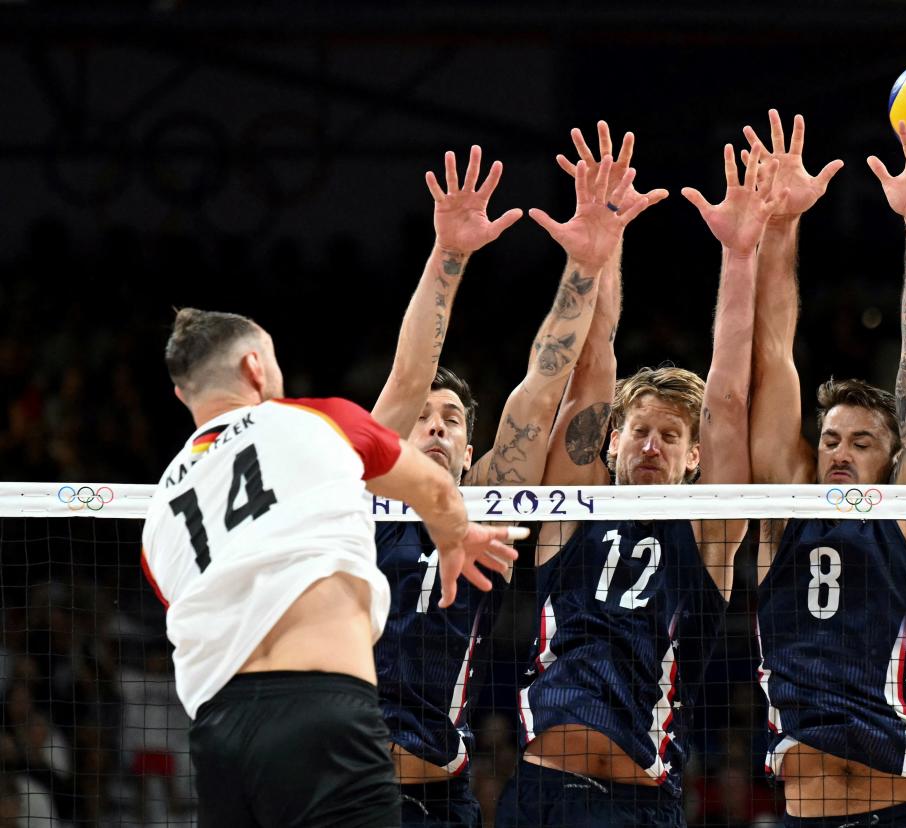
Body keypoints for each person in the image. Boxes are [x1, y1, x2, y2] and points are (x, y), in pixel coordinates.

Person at [496, 122, 786, 827]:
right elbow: (593, 365)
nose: (652, 445)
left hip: (641, 798)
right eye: (640, 431)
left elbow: (729, 398)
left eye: (671, 436)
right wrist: (604, 242)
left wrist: (740, 254)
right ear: (615, 442)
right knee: (587, 367)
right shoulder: (573, 511)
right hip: (542, 795)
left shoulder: (710, 534)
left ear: (694, 457)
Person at [140, 308, 523, 828]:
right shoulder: (313, 423)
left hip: (219, 731)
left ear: (183, 395)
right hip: (321, 707)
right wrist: (456, 533)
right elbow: (431, 476)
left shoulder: (160, 509)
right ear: (256, 367)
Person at [367, 144, 657, 827]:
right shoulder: (364, 484)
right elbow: (411, 370)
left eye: (453, 421)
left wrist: (586, 263)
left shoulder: (488, 500)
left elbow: (544, 385)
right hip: (350, 786)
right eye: (422, 420)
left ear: (473, 452)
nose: (435, 428)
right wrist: (449, 255)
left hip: (441, 793)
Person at [746, 112, 906, 825]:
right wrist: (780, 226)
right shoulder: (786, 514)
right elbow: (773, 354)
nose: (840, 450)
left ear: (895, 460)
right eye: (831, 439)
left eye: (862, 441)